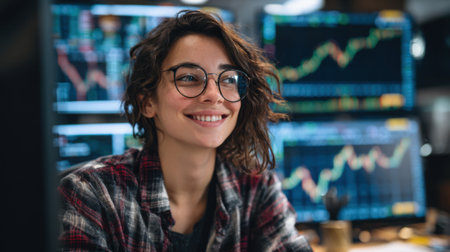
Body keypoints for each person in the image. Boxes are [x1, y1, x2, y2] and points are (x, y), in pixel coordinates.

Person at [58, 10, 312, 251]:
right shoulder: (93, 194)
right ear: (147, 102)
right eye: (189, 78)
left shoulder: (256, 188)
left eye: (228, 79)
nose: (214, 95)